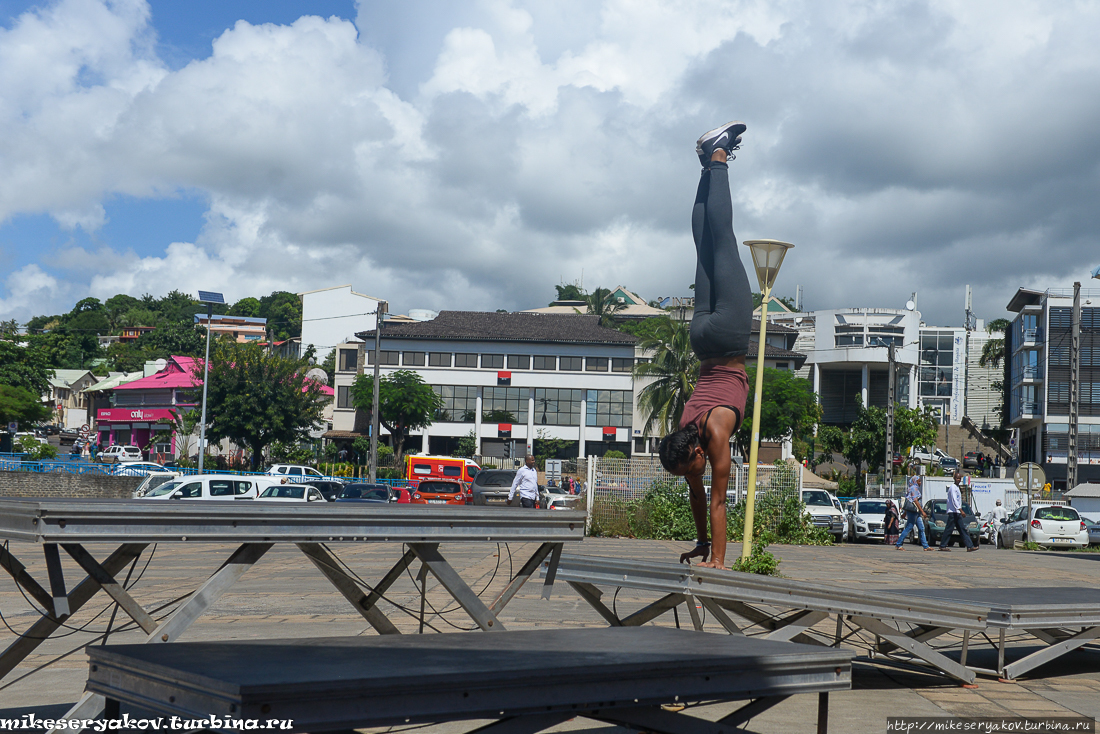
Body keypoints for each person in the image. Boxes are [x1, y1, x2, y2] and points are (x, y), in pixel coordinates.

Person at [658, 121, 752, 570]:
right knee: (703, 247)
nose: (690, 479)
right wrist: (701, 544)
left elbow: (717, 500)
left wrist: (717, 559)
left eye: (688, 471)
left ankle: (718, 157)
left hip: (730, 336)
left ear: (694, 453)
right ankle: (704, 165)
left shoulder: (712, 436)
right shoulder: (686, 431)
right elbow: (701, 498)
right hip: (701, 339)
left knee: (723, 242)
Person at [940, 470, 978, 552]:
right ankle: (942, 545)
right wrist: (960, 510)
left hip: (956, 512)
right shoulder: (952, 487)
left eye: (959, 478)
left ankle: (969, 546)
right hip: (953, 512)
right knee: (949, 529)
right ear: (954, 478)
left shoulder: (957, 487)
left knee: (962, 529)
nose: (958, 480)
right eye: (957, 478)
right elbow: (954, 500)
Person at [896, 473, 934, 551]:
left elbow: (909, 502)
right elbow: (915, 501)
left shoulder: (911, 488)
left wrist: (905, 513)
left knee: (921, 528)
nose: (920, 483)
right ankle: (898, 544)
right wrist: (922, 511)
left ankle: (925, 546)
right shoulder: (914, 488)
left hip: (915, 512)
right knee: (909, 527)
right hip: (914, 512)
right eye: (919, 481)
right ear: (915, 481)